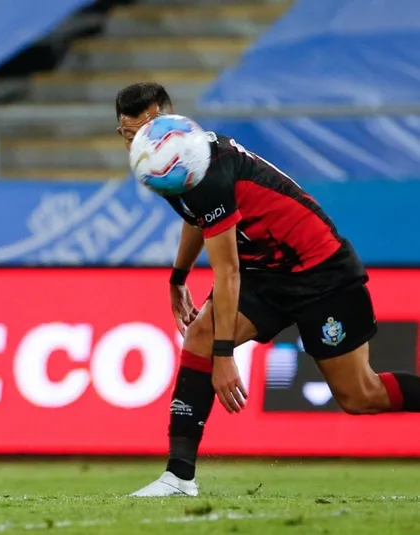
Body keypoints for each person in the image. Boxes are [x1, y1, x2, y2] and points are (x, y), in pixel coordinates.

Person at [115, 82, 420, 497]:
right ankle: (178, 477)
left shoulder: (204, 166)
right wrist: (178, 277)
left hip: (319, 269)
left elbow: (228, 272)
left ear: (172, 119)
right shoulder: (165, 164)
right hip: (267, 270)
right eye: (131, 134)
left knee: (360, 396)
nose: (141, 141)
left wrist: (225, 356)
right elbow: (197, 217)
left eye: (150, 126)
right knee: (200, 334)